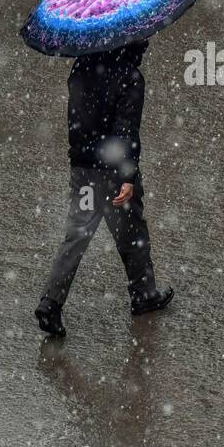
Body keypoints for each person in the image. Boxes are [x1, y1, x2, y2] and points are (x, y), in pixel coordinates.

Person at [35, 40, 173, 337]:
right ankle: (143, 293)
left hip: (83, 170)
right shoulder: (130, 77)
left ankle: (50, 302)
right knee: (132, 232)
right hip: (113, 173)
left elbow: (77, 122)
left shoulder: (81, 68)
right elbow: (126, 131)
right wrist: (127, 176)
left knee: (76, 237)